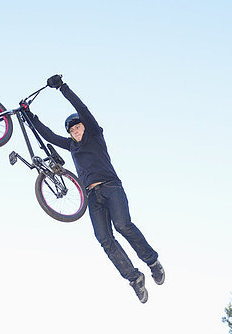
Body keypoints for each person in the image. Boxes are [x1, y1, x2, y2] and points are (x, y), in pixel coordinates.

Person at [25, 74, 165, 303]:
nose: (75, 131)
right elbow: (48, 134)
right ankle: (134, 278)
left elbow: (81, 107)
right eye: (72, 129)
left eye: (78, 126)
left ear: (84, 126)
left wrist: (62, 87)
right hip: (92, 196)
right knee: (104, 239)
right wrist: (30, 115)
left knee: (123, 225)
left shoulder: (95, 135)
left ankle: (152, 262)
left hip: (111, 188)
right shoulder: (71, 146)